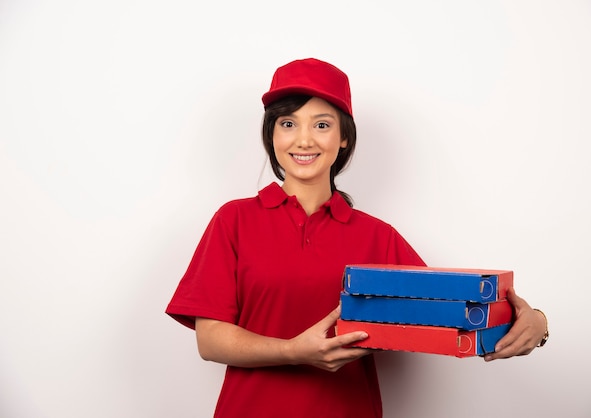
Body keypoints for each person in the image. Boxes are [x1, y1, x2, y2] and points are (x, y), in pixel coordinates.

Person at [165, 58, 549, 418]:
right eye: (288, 123)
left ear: (343, 137)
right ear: (271, 133)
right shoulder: (233, 220)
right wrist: (293, 351)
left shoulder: (376, 236)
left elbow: (450, 313)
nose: (304, 140)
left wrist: (534, 320)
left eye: (321, 124)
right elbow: (210, 340)